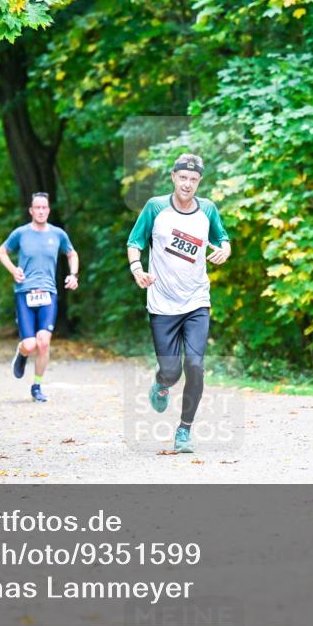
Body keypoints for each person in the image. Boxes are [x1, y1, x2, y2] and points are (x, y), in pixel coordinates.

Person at [126, 153, 231, 453]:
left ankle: (184, 431)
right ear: (173, 177)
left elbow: (223, 238)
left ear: (199, 182)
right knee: (171, 372)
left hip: (197, 301)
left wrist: (225, 249)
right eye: (182, 178)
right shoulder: (155, 207)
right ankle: (161, 384)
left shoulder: (208, 209)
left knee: (195, 365)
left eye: (193, 179)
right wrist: (137, 270)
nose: (187, 184)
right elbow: (135, 242)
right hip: (162, 304)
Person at [0, 192, 79, 402]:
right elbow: (2, 251)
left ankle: (37, 386)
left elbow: (72, 253)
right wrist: (13, 270)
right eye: (37, 208)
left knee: (44, 343)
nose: (41, 211)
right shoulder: (21, 234)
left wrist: (73, 274)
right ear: (31, 211)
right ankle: (22, 353)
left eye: (44, 208)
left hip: (48, 293)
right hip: (24, 293)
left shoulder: (58, 234)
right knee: (30, 344)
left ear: (48, 210)